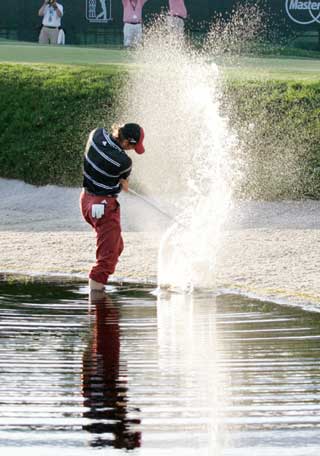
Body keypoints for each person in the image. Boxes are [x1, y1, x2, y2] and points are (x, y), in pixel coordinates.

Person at [80, 123, 145, 291]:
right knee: (106, 259)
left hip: (86, 200)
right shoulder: (124, 162)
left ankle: (98, 290)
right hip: (103, 207)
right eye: (133, 146)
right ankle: (96, 303)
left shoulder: (96, 134)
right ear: (126, 143)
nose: (132, 150)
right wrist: (124, 183)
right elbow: (123, 182)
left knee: (116, 247)